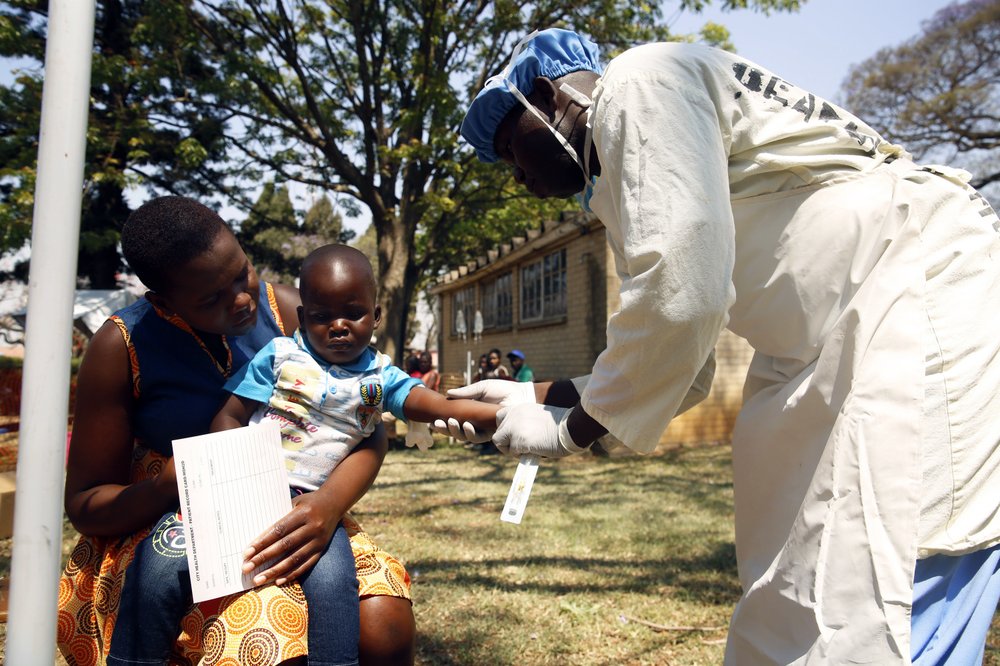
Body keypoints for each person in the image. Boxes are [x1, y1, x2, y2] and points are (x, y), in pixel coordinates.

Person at [448, 28, 1000, 665]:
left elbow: (684, 304)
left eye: (512, 148)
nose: (516, 177)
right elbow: (681, 362)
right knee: (803, 579)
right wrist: (531, 396)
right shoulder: (632, 187)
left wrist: (565, 432)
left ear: (549, 96)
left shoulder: (641, 79)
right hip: (834, 337)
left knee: (892, 566)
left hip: (921, 298)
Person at [59, 196, 416, 666]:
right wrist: (169, 485)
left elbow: (368, 432)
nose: (242, 298)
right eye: (212, 298)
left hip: (295, 505)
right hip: (170, 522)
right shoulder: (120, 344)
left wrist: (329, 505)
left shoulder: (293, 313)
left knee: (384, 623)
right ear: (163, 300)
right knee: (267, 631)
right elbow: (86, 503)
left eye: (241, 272)